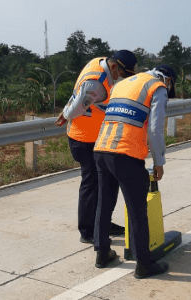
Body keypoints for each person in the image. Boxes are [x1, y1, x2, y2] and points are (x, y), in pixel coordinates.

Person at [92, 65, 175, 279]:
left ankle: (102, 254)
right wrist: (159, 162)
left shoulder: (122, 84)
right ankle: (144, 265)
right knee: (137, 211)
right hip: (126, 154)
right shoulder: (157, 87)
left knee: (104, 204)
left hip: (102, 149)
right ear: (168, 80)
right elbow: (155, 129)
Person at [55, 50, 138, 244]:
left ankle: (103, 223)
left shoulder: (98, 62)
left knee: (108, 181)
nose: (122, 79)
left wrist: (66, 111)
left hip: (97, 137)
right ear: (115, 67)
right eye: (122, 74)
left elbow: (78, 94)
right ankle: (87, 230)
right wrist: (67, 113)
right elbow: (78, 106)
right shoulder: (97, 82)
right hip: (84, 140)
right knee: (91, 183)